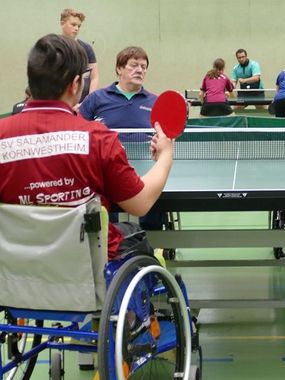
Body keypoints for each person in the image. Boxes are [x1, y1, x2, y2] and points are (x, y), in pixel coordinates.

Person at [0, 34, 174, 261]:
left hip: (18, 268)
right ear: (76, 85)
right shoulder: (99, 139)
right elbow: (139, 204)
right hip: (86, 265)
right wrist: (166, 155)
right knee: (133, 234)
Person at [79, 46, 165, 231]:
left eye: (143, 66)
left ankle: (154, 240)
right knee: (106, 209)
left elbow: (164, 137)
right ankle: (113, 241)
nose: (140, 70)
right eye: (134, 65)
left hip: (146, 165)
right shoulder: (96, 98)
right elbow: (79, 130)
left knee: (156, 201)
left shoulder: (155, 101)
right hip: (107, 166)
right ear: (119, 68)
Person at [60, 8, 99, 103]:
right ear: (62, 24)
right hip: (60, 103)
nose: (77, 28)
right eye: (73, 25)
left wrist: (88, 101)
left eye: (79, 26)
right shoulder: (52, 46)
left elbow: (94, 77)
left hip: (83, 104)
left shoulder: (86, 48)